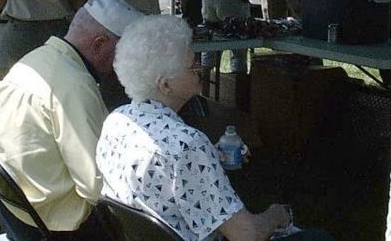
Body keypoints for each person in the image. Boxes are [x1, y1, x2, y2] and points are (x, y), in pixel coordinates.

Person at [97, 15, 332, 241]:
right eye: (192, 66)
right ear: (165, 85)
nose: (201, 68)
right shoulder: (188, 144)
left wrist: (209, 156)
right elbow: (247, 235)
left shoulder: (116, 121)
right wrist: (277, 214)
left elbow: (163, 174)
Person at [0, 0, 144, 240]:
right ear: (99, 44)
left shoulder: (33, 60)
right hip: (56, 221)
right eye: (122, 50)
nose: (123, 60)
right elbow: (96, 185)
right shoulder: (75, 85)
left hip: (15, 206)